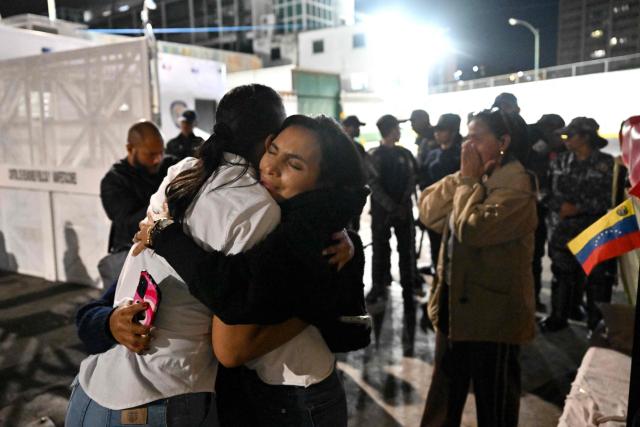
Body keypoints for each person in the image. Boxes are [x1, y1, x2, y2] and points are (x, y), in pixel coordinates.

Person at [68, 85, 302, 426]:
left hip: (90, 393)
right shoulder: (255, 206)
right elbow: (232, 342)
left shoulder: (184, 172)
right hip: (162, 399)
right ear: (269, 143)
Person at [135, 114, 369, 426]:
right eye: (272, 150)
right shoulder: (289, 216)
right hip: (283, 390)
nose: (272, 167)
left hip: (299, 396)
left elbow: (231, 343)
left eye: (295, 164)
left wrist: (165, 235)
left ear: (324, 183)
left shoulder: (303, 229)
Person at [418, 108, 537, 427]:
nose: (466, 146)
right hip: (453, 304)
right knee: (444, 393)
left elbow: (471, 230)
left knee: (493, 399)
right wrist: (464, 177)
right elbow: (428, 213)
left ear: (503, 141)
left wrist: (468, 180)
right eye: (466, 137)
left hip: (492, 314)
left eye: (476, 138)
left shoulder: (517, 185)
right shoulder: (472, 174)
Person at [540, 117, 615, 333]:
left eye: (569, 135)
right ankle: (558, 318)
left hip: (594, 232)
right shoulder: (558, 162)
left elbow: (609, 199)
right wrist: (558, 205)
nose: (564, 140)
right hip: (562, 232)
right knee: (561, 277)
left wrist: (579, 208)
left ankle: (596, 327)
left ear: (585, 137)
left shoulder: (607, 164)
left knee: (597, 282)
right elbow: (543, 191)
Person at [97, 121, 176, 287]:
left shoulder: (170, 166)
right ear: (130, 149)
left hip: (165, 245)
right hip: (130, 250)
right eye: (151, 154)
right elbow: (129, 223)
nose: (157, 160)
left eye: (161, 153)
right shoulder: (114, 181)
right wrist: (169, 204)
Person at [366, 114, 419, 354]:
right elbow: (373, 186)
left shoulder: (404, 154)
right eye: (397, 128)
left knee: (406, 249)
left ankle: (409, 281)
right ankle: (379, 285)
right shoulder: (375, 156)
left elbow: (412, 179)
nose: (399, 131)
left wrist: (402, 203)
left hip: (401, 211)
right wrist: (391, 206)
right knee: (380, 249)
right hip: (383, 213)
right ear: (389, 130)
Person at [528, 114, 566, 313]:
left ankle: (564, 305)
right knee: (534, 256)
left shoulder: (564, 151)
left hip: (556, 212)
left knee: (560, 259)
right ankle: (533, 298)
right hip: (537, 209)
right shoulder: (535, 149)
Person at [421, 113, 463, 273]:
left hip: (454, 212)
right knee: (436, 253)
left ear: (453, 132)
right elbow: (424, 180)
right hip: (434, 212)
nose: (437, 133)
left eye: (442, 130)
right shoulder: (432, 154)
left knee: (453, 257)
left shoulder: (461, 155)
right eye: (436, 130)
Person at [342, 114, 368, 231]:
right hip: (343, 195)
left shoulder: (359, 147)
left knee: (354, 229)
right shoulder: (338, 147)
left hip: (356, 194)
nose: (358, 130)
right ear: (347, 128)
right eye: (356, 127)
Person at [411, 109, 437, 190]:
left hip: (434, 185)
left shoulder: (434, 136)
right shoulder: (422, 137)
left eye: (414, 121)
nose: (412, 125)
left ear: (423, 121)